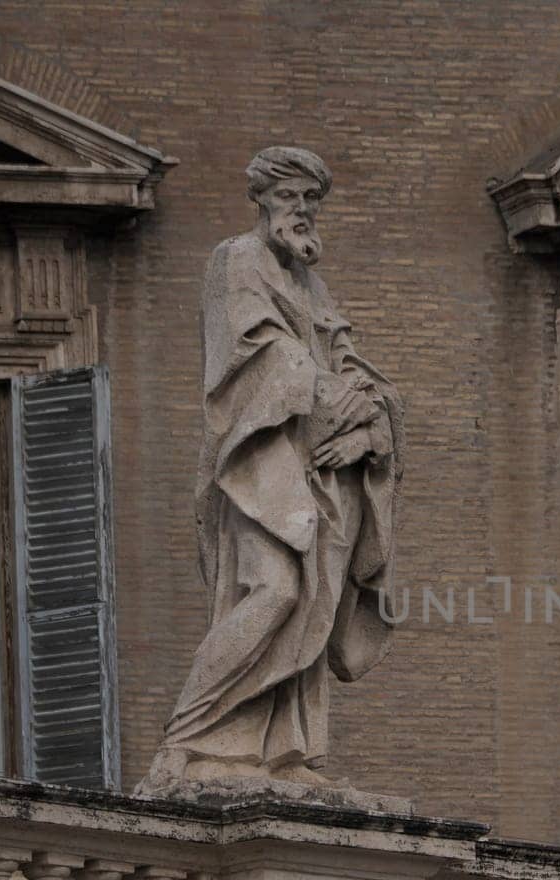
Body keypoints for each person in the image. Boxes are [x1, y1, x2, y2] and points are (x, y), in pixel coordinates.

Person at [140, 146, 402, 793]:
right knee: (277, 592)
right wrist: (329, 397)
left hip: (319, 469)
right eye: (292, 197)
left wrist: (368, 426)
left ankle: (286, 753)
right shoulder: (236, 261)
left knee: (313, 602)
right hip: (258, 463)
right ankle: (186, 738)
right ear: (262, 199)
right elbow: (250, 356)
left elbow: (355, 372)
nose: (305, 211)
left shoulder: (313, 286)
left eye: (313, 200)